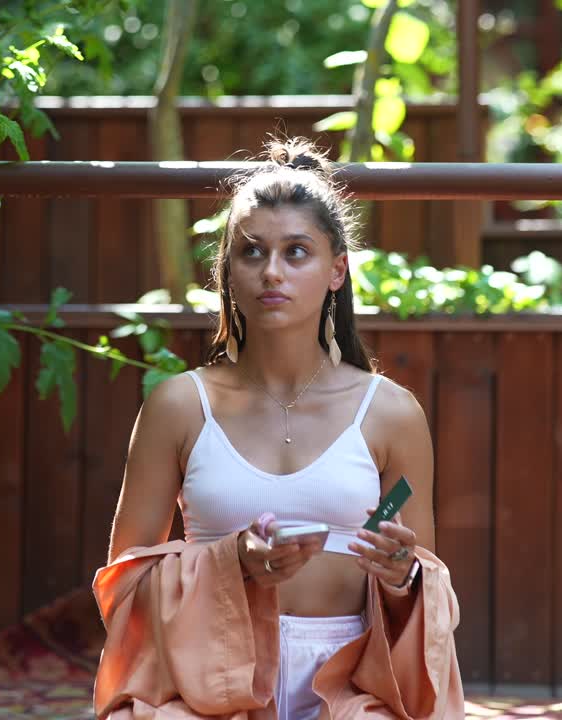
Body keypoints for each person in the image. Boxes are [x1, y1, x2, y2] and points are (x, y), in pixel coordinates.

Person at [91, 138, 464, 720]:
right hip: (206, 685)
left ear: (337, 269)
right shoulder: (178, 406)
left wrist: (400, 577)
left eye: (296, 252)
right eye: (252, 252)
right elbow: (124, 587)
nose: (272, 271)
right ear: (228, 272)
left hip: (353, 688)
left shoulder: (391, 414)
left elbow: (424, 593)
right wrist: (233, 563)